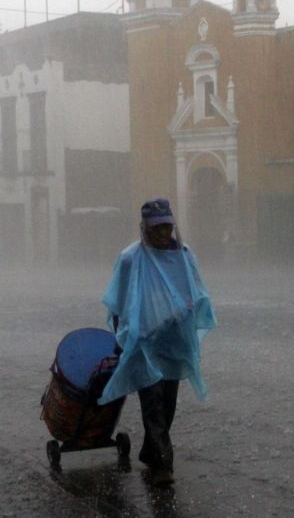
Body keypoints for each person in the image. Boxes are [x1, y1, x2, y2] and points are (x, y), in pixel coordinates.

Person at [97, 198, 217, 486]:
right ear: (145, 229)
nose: (164, 235)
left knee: (168, 403)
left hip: (174, 342)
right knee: (152, 402)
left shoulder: (185, 256)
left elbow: (196, 292)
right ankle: (163, 466)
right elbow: (120, 300)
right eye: (157, 229)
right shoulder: (131, 259)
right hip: (144, 343)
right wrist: (122, 339)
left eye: (167, 227)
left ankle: (152, 451)